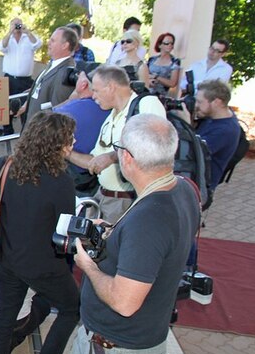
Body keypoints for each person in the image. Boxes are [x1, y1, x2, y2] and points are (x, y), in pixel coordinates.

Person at [60, 114, 199, 354]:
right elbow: (159, 250)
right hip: (110, 342)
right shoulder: (182, 188)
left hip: (115, 351)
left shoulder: (149, 220)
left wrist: (88, 266)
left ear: (127, 158)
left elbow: (125, 303)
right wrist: (113, 233)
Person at [0, 111, 79, 354]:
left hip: (7, 257)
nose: (73, 143)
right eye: (69, 138)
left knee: (5, 316)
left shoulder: (6, 164)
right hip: (42, 264)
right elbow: (65, 231)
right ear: (54, 144)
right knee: (72, 308)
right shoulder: (62, 179)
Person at [66, 66, 167, 223]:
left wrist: (112, 156)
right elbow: (94, 160)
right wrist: (66, 152)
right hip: (103, 197)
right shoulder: (111, 117)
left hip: (127, 201)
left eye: (97, 91)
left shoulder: (146, 104)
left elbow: (154, 150)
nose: (93, 96)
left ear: (111, 87)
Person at [53, 70, 111, 196]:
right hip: (95, 182)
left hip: (72, 176)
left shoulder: (73, 108)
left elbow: (46, 120)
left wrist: (72, 98)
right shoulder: (113, 110)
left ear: (84, 84)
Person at [0, 261, 50, 349]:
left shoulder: (3, 248)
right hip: (15, 321)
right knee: (45, 305)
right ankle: (13, 340)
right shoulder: (43, 267)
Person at [20, 27, 78, 125]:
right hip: (32, 129)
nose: (48, 43)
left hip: (42, 133)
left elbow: (58, 110)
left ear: (65, 45)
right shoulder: (53, 65)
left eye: (53, 40)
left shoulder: (65, 72)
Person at [192, 80, 242, 191]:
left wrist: (184, 121)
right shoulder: (215, 117)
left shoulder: (225, 130)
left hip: (200, 188)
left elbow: (193, 152)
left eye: (200, 102)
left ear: (217, 102)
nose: (196, 105)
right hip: (194, 180)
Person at [0, 17, 43, 117]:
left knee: (24, 108)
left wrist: (27, 32)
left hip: (25, 80)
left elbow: (38, 44)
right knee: (7, 107)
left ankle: (24, 131)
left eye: (19, 24)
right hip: (9, 79)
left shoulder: (28, 38)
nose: (17, 27)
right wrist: (10, 33)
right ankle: (7, 131)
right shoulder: (8, 39)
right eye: (15, 24)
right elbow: (1, 47)